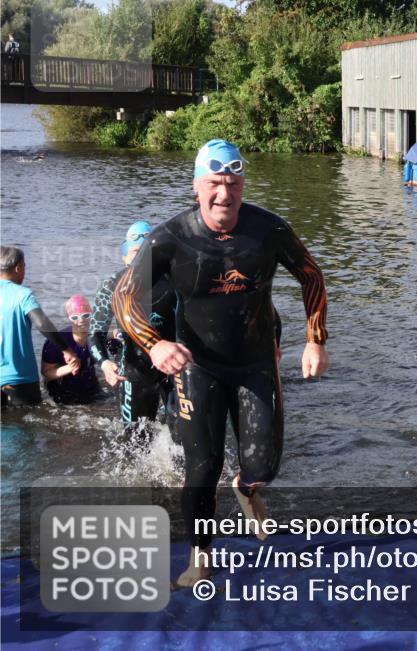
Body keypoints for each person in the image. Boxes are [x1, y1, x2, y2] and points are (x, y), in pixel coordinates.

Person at [113, 139, 329, 587]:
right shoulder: (171, 238)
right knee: (202, 467)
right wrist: (154, 344)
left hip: (255, 364)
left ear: (243, 185)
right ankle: (200, 556)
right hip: (198, 368)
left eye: (232, 183)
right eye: (214, 184)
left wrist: (316, 340)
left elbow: (310, 273)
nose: (224, 194)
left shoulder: (267, 230)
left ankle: (247, 488)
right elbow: (124, 298)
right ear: (197, 187)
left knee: (265, 463)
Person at [91, 222, 177, 437]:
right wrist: (104, 363)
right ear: (124, 256)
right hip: (134, 368)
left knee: (181, 435)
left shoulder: (175, 281)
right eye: (135, 252)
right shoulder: (112, 285)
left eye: (145, 253)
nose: (139, 259)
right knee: (136, 439)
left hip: (173, 366)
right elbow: (96, 331)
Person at [0, 246, 80, 406]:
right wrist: (66, 349)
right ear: (18, 268)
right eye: (24, 267)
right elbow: (41, 322)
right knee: (26, 428)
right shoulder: (22, 294)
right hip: (21, 380)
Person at [41, 295, 101, 404]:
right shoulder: (56, 341)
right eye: (75, 317)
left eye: (86, 315)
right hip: (61, 390)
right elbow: (46, 373)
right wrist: (69, 368)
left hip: (90, 385)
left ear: (92, 314)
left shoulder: (97, 336)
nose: (81, 320)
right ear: (69, 318)